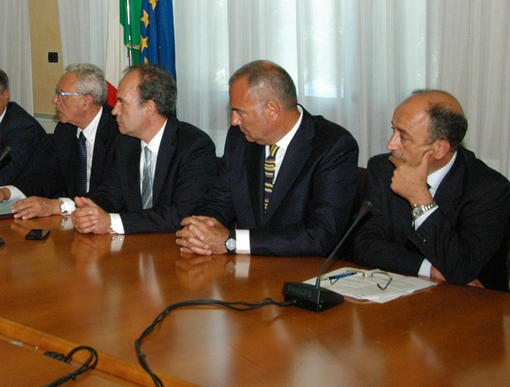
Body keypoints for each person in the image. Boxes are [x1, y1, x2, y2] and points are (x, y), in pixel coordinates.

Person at [176, 60, 359, 257]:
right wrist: (200, 231)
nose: (234, 121)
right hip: (248, 268)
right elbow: (217, 202)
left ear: (272, 110)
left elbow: (320, 235)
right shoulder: (240, 139)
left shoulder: (332, 145)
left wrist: (232, 241)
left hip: (307, 269)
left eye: (240, 112)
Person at [352, 90, 510, 291]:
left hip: (468, 303)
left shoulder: (490, 190)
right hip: (396, 293)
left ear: (440, 149)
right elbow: (364, 245)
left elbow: (461, 268)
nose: (390, 144)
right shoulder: (383, 169)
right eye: (393, 130)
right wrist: (429, 269)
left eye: (403, 137)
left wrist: (420, 199)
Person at [72, 64, 217, 235]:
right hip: (133, 244)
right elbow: (111, 193)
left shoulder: (194, 146)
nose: (115, 110)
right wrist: (89, 210)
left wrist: (112, 222)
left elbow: (181, 215)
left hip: (175, 245)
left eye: (122, 102)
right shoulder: (125, 143)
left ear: (149, 108)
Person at [0, 63, 120, 219]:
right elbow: (50, 175)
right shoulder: (65, 130)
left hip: (110, 220)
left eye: (61, 94)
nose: (54, 100)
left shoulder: (118, 133)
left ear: (86, 101)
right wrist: (5, 193)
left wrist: (57, 205)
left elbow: (112, 193)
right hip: (74, 219)